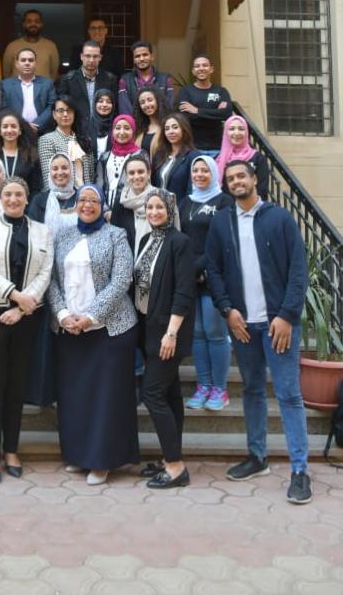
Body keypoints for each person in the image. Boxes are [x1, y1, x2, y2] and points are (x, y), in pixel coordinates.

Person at [205, 160, 312, 504]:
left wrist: (287, 315)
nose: (236, 181)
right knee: (252, 390)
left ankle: (300, 471)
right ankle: (257, 456)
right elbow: (213, 269)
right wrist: (228, 310)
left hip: (278, 325)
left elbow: (298, 270)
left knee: (288, 394)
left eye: (242, 176)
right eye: (231, 178)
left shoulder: (279, 218)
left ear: (254, 179)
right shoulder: (222, 221)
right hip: (243, 326)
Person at [48, 184, 139, 485]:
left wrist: (90, 317)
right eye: (82, 200)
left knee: (106, 399)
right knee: (76, 397)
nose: (87, 205)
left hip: (109, 330)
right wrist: (63, 314)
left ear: (102, 206)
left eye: (94, 200)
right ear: (76, 204)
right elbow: (51, 280)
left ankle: (102, 461)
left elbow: (121, 280)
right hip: (70, 331)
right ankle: (79, 455)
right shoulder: (62, 235)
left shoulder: (116, 235)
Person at [0, 178, 53, 485]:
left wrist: (21, 308)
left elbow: (45, 271)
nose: (14, 199)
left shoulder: (42, 231)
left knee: (17, 384)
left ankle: (11, 450)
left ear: (27, 198)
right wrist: (14, 295)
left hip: (26, 315)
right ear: (0, 198)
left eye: (19, 194)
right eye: (8, 194)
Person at [135, 190, 195, 489]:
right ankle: (169, 456)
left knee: (152, 394)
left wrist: (171, 334)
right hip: (148, 328)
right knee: (171, 395)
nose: (154, 211)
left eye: (160, 207)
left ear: (170, 211)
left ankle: (175, 467)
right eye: (150, 207)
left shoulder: (180, 242)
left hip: (168, 332)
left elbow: (184, 291)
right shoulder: (147, 240)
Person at [179, 157, 234, 411]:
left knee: (215, 331)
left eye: (205, 170)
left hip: (214, 276)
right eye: (196, 170)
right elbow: (179, 238)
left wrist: (199, 267)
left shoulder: (224, 201)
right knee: (198, 333)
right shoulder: (185, 202)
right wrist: (187, 270)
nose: (199, 174)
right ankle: (203, 385)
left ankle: (220, 389)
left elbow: (224, 239)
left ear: (213, 173)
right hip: (191, 277)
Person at [57, 40, 118, 135]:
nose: (91, 60)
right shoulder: (68, 80)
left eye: (95, 56)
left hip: (103, 131)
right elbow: (62, 108)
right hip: (75, 131)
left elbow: (115, 108)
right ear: (81, 57)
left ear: (100, 58)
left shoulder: (110, 79)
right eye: (88, 56)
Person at [0, 109, 42, 195]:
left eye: (13, 126)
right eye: (5, 127)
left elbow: (36, 188)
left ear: (20, 130)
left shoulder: (31, 156)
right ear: (0, 131)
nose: (9, 130)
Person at [177, 54, 233, 154]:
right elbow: (185, 117)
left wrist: (197, 110)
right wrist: (215, 113)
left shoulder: (221, 91)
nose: (201, 68)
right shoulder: (185, 91)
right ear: (193, 71)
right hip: (193, 147)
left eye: (205, 65)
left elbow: (226, 113)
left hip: (217, 148)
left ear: (211, 69)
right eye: (197, 66)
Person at [38, 96, 94, 187]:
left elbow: (91, 175)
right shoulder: (47, 140)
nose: (65, 114)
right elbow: (48, 178)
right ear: (54, 114)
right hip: (60, 193)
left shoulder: (85, 139)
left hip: (85, 192)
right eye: (60, 111)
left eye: (69, 110)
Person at [110, 152, 159, 256]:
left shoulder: (161, 199)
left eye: (140, 172)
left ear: (149, 174)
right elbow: (114, 238)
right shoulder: (120, 203)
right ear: (127, 176)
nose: (136, 176)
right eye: (131, 173)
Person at [0, 48, 56, 134]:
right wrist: (23, 125)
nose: (27, 63)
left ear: (35, 63)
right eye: (23, 60)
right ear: (17, 64)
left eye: (31, 60)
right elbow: (4, 108)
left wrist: (37, 124)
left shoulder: (47, 83)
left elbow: (52, 106)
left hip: (43, 131)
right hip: (16, 131)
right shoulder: (6, 85)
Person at [151, 113, 200, 207]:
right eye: (167, 129)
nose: (171, 132)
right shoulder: (159, 154)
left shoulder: (193, 156)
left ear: (184, 129)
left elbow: (191, 191)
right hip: (158, 209)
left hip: (180, 210)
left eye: (175, 127)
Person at [95, 115, 142, 213]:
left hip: (130, 210)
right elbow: (99, 185)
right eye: (118, 128)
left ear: (133, 131)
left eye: (127, 128)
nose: (122, 132)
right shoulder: (105, 157)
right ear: (113, 131)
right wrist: (105, 210)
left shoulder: (140, 155)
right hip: (105, 211)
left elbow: (142, 186)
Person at [216, 115, 270, 200]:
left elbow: (262, 189)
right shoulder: (218, 160)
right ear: (225, 132)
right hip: (226, 206)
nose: (237, 133)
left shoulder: (258, 158)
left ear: (247, 132)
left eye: (241, 129)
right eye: (231, 129)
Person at [118, 40, 175, 116]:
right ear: (134, 60)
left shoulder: (165, 79)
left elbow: (169, 107)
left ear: (152, 57)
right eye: (137, 56)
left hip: (160, 122)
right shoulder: (125, 80)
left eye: (145, 55)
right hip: (135, 123)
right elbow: (125, 110)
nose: (141, 59)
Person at [27, 154, 78, 237]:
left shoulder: (82, 198)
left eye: (64, 168)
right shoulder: (39, 200)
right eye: (55, 169)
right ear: (49, 173)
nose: (60, 172)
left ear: (72, 170)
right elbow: (32, 233)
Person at [2, 9, 60, 80]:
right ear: (23, 24)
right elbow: (6, 74)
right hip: (17, 87)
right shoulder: (12, 46)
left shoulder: (51, 46)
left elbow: (53, 73)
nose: (33, 24)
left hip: (44, 87)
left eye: (37, 21)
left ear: (41, 24)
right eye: (29, 21)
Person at [133, 87, 168, 159]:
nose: (146, 105)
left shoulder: (168, 125)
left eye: (150, 100)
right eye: (142, 102)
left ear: (158, 101)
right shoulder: (138, 127)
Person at [86, 88, 118, 160]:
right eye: (100, 101)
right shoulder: (86, 126)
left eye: (108, 102)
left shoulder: (118, 126)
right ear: (95, 104)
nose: (104, 105)